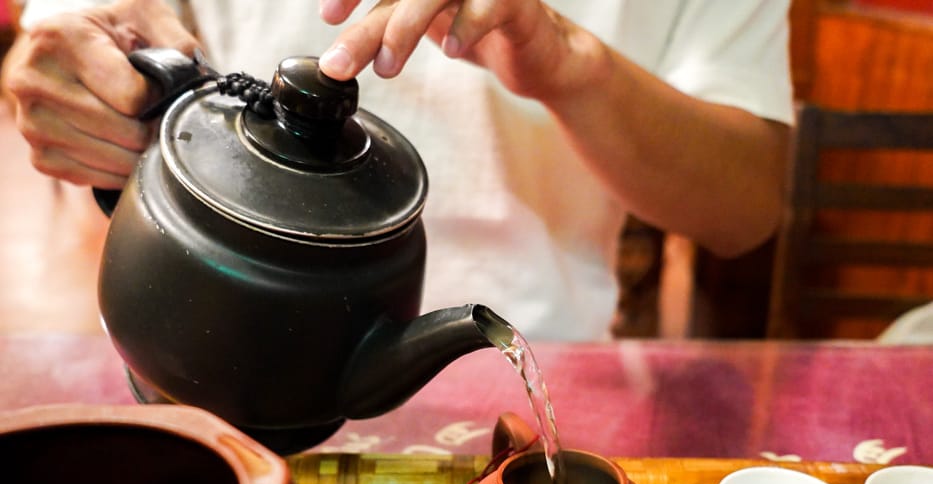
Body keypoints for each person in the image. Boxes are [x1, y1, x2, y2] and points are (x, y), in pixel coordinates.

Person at [2, 0, 793, 341]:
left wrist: (568, 62)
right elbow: (81, 25)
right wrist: (72, 49)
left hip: (530, 353)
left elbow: (746, 207)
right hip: (219, 331)